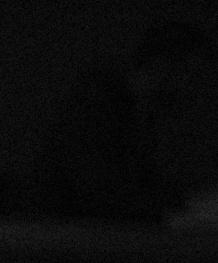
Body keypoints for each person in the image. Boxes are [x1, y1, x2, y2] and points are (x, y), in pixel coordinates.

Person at [31, 20, 218, 223]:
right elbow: (96, 192)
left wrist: (180, 202)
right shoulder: (98, 106)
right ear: (163, 65)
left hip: (88, 233)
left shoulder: (138, 112)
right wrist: (170, 210)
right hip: (65, 238)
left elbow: (136, 183)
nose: (193, 88)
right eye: (191, 75)